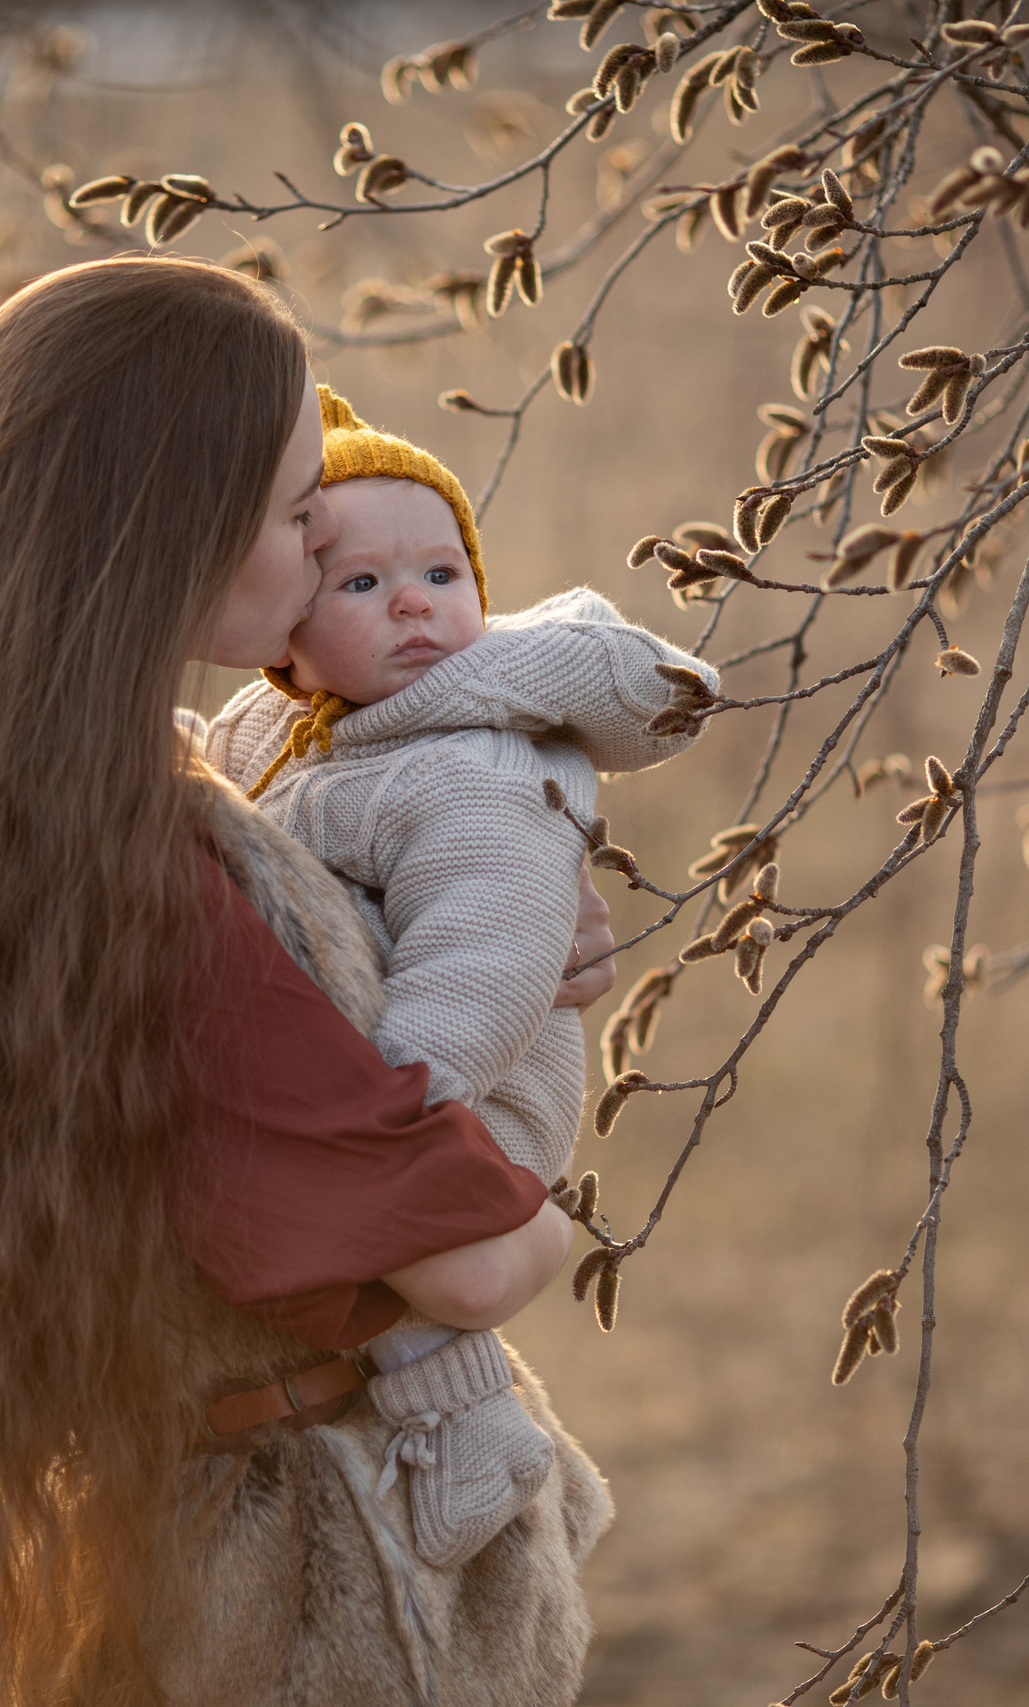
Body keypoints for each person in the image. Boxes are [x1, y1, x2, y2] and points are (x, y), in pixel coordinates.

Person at [0, 255, 619, 1707]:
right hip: (297, 1605)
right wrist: (547, 1087)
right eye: (301, 511)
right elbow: (467, 1262)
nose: (328, 543)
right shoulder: (149, 874)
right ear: (185, 526)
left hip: (145, 1557)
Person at [199, 390, 717, 1574]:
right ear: (287, 634)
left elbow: (489, 942)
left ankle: (477, 1430)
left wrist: (392, 1101)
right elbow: (207, 777)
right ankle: (476, 1425)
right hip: (402, 1098)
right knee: (386, 1261)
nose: (416, 603)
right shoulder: (290, 730)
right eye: (364, 585)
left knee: (405, 1268)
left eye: (441, 570)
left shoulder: (472, 763)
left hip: (468, 1091)